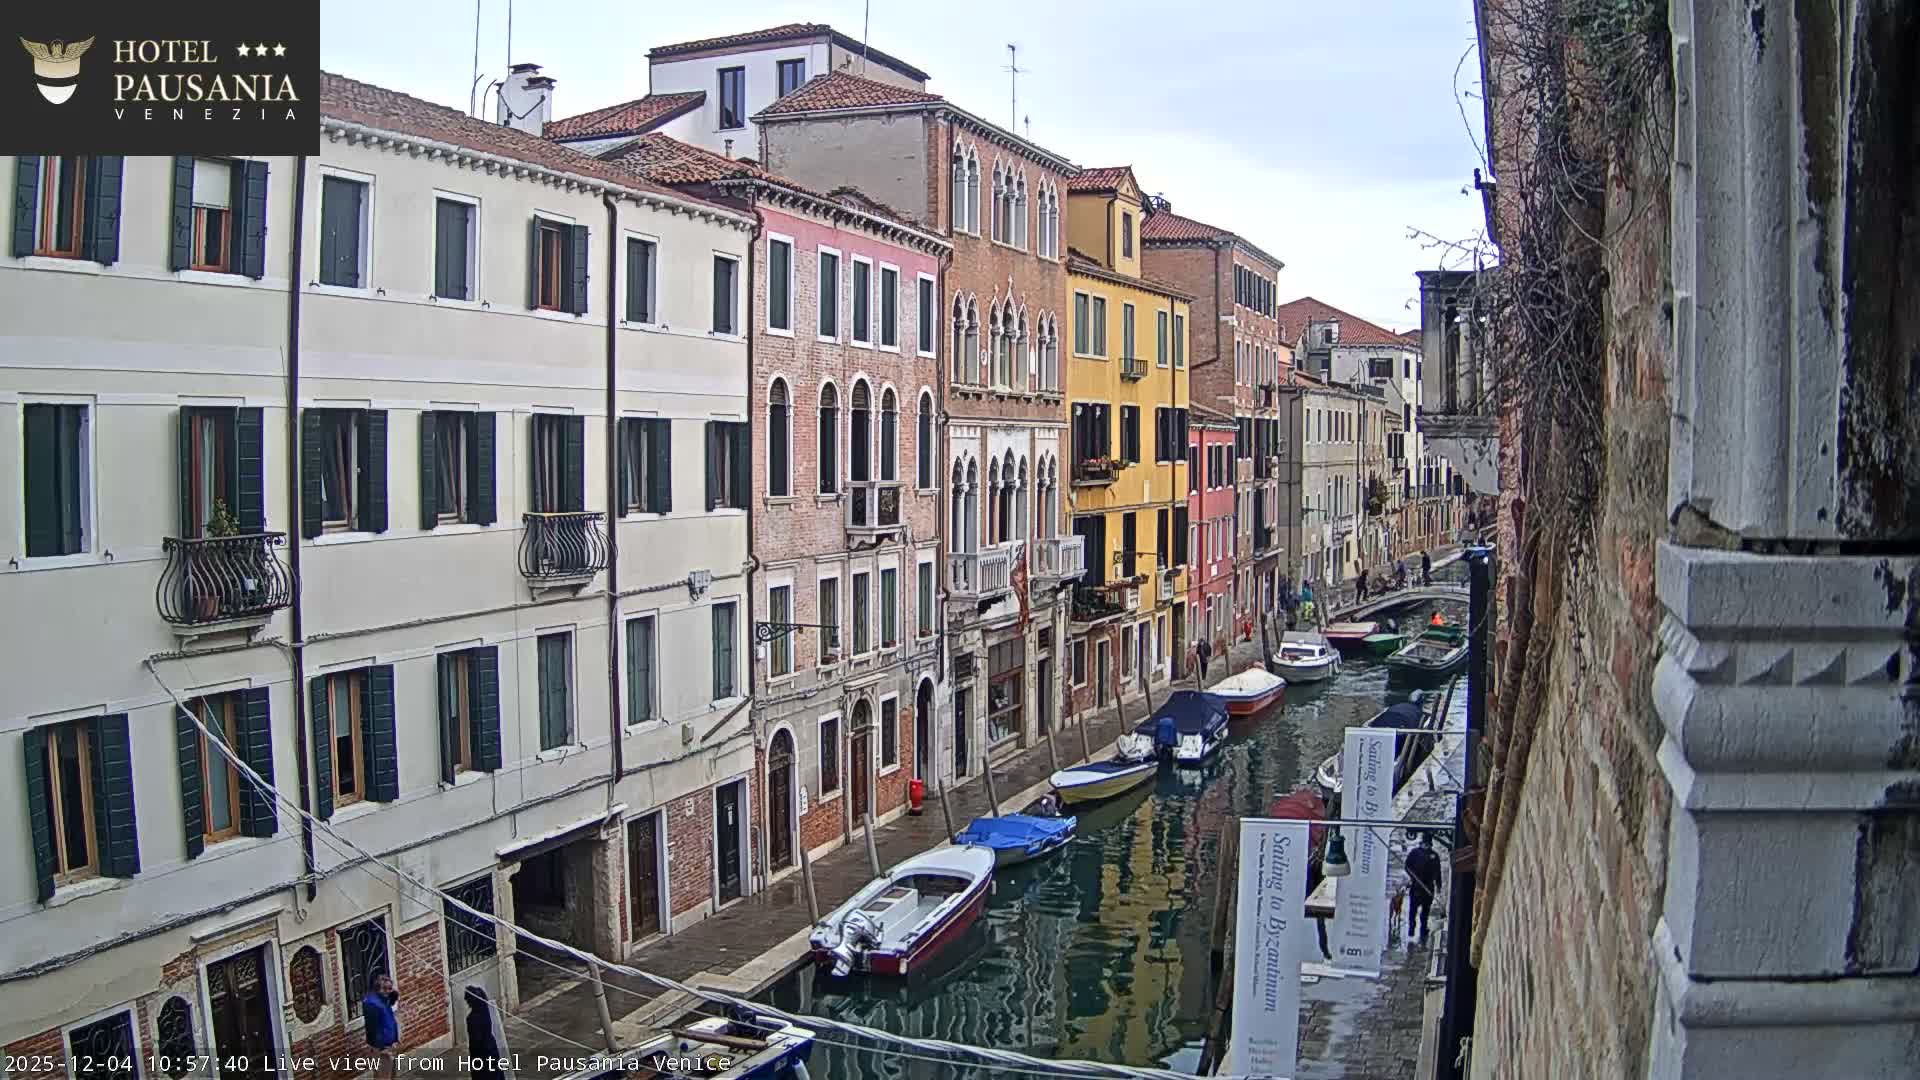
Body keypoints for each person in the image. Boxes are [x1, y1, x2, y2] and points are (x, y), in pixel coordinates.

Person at [1405, 834, 1444, 944]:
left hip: (1428, 888)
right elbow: (1407, 866)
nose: (1426, 846)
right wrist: (1413, 877)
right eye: (1425, 844)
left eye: (1428, 844)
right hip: (1416, 886)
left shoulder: (1434, 855)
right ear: (1422, 843)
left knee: (1425, 912)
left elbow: (1438, 871)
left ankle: (1423, 931)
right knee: (1413, 910)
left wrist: (1438, 885)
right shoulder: (1414, 853)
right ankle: (1411, 930)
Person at [362, 972, 400, 1079]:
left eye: (390, 988)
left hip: (390, 1045)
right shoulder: (372, 1004)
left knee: (391, 1076)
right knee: (383, 1076)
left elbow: (393, 999)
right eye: (386, 989)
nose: (389, 991)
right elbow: (372, 1029)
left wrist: (394, 1040)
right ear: (379, 989)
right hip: (381, 1048)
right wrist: (382, 1047)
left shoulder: (384, 1000)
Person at [463, 986, 504, 1080]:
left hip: (481, 1054)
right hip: (491, 1047)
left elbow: (475, 1041)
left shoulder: (472, 1019)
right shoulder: (486, 1010)